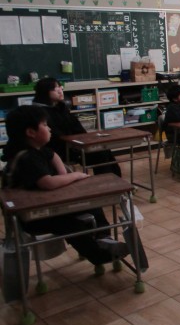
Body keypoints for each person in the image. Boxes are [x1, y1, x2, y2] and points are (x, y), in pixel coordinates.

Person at [1, 106, 128, 266]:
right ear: (31, 132)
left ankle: (104, 238)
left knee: (92, 205)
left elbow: (54, 158)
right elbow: (48, 183)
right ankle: (98, 255)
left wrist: (62, 170)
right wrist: (76, 175)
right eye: (45, 125)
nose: (49, 128)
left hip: (50, 205)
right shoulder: (26, 157)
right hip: (32, 216)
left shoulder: (38, 150)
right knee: (72, 225)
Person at [32, 78, 122, 177]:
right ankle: (106, 182)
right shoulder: (40, 112)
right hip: (63, 149)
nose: (60, 91)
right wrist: (77, 145)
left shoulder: (61, 107)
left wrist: (88, 141)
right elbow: (55, 137)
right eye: (54, 89)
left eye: (60, 87)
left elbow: (77, 127)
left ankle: (116, 181)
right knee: (101, 154)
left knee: (104, 149)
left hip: (76, 145)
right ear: (44, 92)